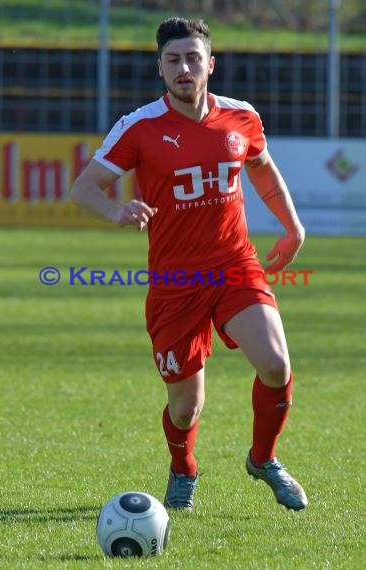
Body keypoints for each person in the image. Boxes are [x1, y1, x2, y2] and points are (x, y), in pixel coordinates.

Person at [71, 17, 308, 512]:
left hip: (234, 266)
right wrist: (117, 211)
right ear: (160, 68)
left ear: (210, 64)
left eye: (193, 58)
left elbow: (263, 172)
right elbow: (83, 188)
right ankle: (184, 469)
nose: (184, 68)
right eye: (174, 60)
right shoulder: (138, 127)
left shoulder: (241, 118)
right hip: (175, 283)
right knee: (185, 408)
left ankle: (263, 459)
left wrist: (292, 227)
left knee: (276, 363)